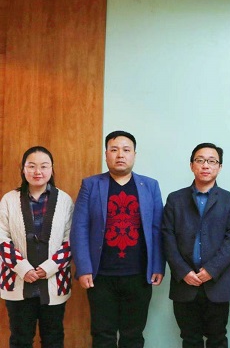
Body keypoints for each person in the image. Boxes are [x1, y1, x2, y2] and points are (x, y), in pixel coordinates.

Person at [70, 130, 165, 348]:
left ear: (134, 155)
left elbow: (157, 229)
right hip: (100, 275)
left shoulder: (150, 186)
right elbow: (79, 228)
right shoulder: (91, 185)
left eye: (126, 150)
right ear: (106, 154)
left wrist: (158, 266)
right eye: (114, 150)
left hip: (139, 274)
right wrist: (83, 268)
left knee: (133, 335)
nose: (120, 155)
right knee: (103, 335)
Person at [162, 143, 230, 348]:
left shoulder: (229, 200)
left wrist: (211, 270)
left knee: (217, 339)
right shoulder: (175, 199)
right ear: (191, 165)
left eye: (212, 161)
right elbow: (167, 238)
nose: (205, 165)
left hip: (217, 283)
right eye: (200, 160)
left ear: (219, 167)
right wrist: (183, 271)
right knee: (190, 339)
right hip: (185, 283)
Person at [0, 146, 74, 348]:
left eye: (44, 166)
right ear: (23, 169)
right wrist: (23, 268)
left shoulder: (65, 200)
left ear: (52, 169)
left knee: (53, 338)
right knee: (20, 339)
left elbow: (70, 241)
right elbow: (1, 238)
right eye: (31, 166)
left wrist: (48, 268)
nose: (37, 172)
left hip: (54, 281)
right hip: (17, 280)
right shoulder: (8, 200)